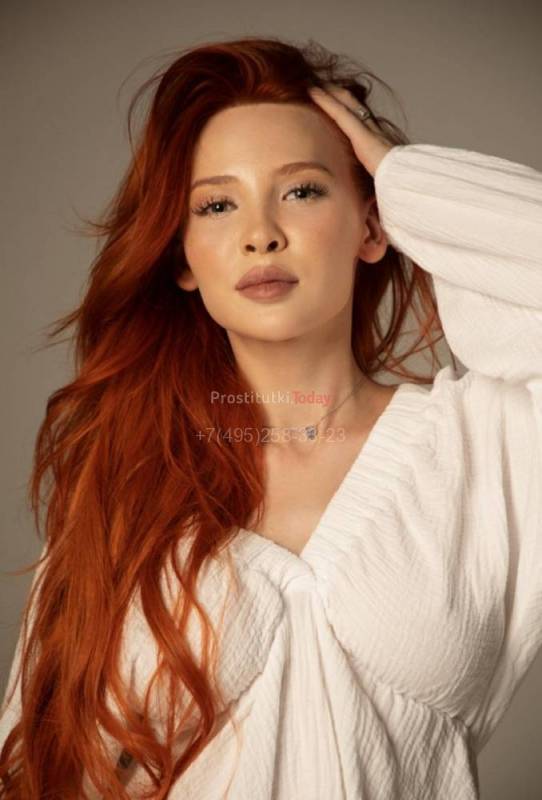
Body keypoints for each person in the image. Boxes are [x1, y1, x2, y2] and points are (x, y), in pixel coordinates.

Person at [0, 35, 541, 799]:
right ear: (183, 258)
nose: (261, 233)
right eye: (218, 205)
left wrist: (402, 174)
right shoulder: (125, 480)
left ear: (374, 228)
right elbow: (36, 771)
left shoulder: (486, 444)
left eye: (302, 191)